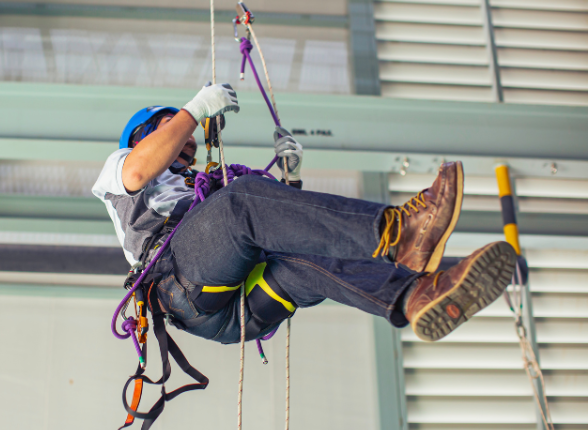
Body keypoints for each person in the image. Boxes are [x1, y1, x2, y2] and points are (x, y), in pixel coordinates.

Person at [92, 83, 516, 344]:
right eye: (170, 130)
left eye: (188, 138)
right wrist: (192, 111)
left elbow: (281, 226)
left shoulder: (206, 190)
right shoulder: (120, 167)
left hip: (235, 312)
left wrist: (291, 180)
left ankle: (417, 296)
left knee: (307, 260)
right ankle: (401, 232)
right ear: (143, 135)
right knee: (241, 200)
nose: (186, 142)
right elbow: (141, 168)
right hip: (180, 283)